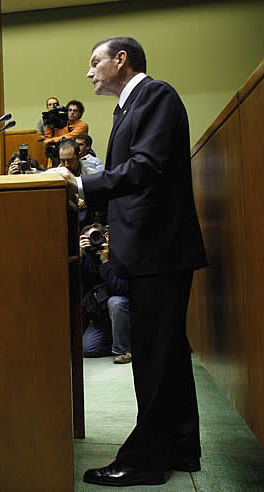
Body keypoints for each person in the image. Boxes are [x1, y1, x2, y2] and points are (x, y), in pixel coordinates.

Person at [77, 36, 207, 487]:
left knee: (153, 356)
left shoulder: (155, 95)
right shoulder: (128, 108)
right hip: (154, 248)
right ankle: (180, 448)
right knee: (167, 355)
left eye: (96, 62)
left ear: (121, 59)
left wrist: (81, 184)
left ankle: (146, 461)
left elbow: (146, 168)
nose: (90, 72)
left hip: (161, 250)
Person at [79, 225, 131, 363]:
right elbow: (78, 286)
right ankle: (125, 343)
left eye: (97, 236)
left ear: (105, 237)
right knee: (88, 348)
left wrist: (106, 261)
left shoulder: (119, 255)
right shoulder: (87, 260)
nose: (95, 242)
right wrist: (80, 256)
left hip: (122, 311)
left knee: (115, 302)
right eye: (90, 239)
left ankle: (123, 350)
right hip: (101, 317)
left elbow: (120, 289)